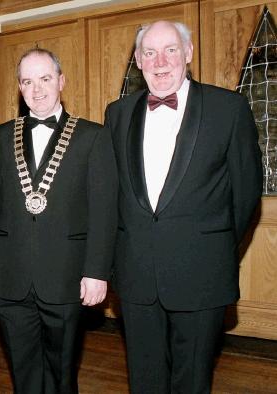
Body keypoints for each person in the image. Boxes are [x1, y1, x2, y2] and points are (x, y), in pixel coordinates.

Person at [104, 21, 262, 393]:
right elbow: (112, 196)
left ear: (188, 54)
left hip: (202, 272)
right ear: (139, 61)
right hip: (137, 275)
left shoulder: (229, 109)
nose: (160, 61)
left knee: (192, 380)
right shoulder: (117, 114)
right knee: (144, 380)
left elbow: (246, 195)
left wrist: (211, 244)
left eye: (170, 50)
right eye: (149, 52)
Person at [0, 48, 118, 393]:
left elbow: (104, 211)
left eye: (44, 79)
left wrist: (97, 271)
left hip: (68, 277)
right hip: (11, 278)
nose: (36, 89)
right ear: (19, 87)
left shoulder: (93, 136)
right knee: (23, 372)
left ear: (61, 81)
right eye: (27, 81)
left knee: (62, 373)